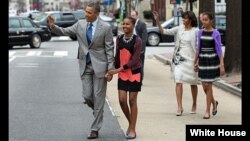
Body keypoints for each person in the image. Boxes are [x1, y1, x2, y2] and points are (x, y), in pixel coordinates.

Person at [48, 2, 114, 139]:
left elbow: (109, 49)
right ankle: (98, 111)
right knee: (87, 96)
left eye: (89, 12)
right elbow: (65, 31)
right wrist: (53, 27)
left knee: (99, 96)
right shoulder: (80, 24)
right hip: (85, 64)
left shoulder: (106, 27)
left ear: (97, 14)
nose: (86, 14)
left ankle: (95, 129)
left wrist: (110, 69)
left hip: (100, 66)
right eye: (86, 11)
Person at [152, 11, 198, 116]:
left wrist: (197, 61)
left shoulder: (196, 31)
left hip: (191, 58)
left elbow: (198, 47)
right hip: (179, 58)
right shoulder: (179, 28)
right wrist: (157, 21)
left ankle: (194, 103)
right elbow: (163, 31)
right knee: (178, 80)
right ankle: (179, 106)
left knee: (193, 83)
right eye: (182, 18)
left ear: (190, 20)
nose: (183, 20)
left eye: (185, 18)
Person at [108, 16, 142, 139]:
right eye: (124, 24)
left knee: (132, 101)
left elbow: (135, 60)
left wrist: (118, 69)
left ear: (133, 26)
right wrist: (111, 69)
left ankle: (132, 128)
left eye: (128, 24)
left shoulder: (138, 41)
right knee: (122, 100)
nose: (125, 26)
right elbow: (117, 56)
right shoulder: (120, 38)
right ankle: (131, 123)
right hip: (122, 73)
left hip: (134, 73)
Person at [194, 12, 225, 119]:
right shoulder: (200, 32)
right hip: (202, 59)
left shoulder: (216, 33)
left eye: (206, 20)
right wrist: (195, 61)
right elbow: (198, 47)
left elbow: (219, 49)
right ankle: (214, 102)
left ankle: (207, 110)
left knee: (208, 85)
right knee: (204, 86)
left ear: (211, 20)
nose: (204, 22)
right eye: (202, 20)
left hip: (212, 60)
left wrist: (222, 64)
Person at [130, 10, 148, 84]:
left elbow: (144, 37)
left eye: (133, 15)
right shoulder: (130, 24)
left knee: (140, 64)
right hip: (131, 47)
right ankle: (133, 78)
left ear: (137, 16)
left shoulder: (142, 24)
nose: (132, 17)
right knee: (132, 63)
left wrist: (142, 48)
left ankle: (140, 80)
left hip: (139, 47)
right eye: (131, 15)